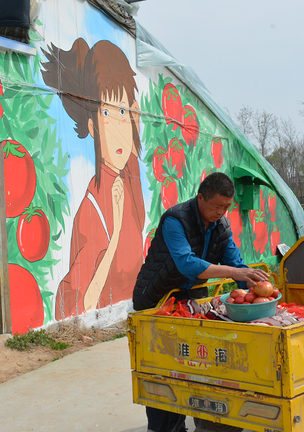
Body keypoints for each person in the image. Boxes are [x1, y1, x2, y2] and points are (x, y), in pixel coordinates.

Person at [132, 172, 268, 432]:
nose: (221, 212)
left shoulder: (222, 227)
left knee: (192, 363)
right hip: (155, 299)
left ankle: (198, 420)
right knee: (163, 367)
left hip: (189, 300)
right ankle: (164, 427)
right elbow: (187, 263)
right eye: (217, 206)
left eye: (227, 207)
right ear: (200, 198)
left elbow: (236, 264)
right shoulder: (175, 220)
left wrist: (257, 290)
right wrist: (233, 272)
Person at [42, 38, 145, 319]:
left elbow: (133, 144)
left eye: (123, 111)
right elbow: (72, 308)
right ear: (93, 125)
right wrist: (112, 240)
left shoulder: (130, 179)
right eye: (107, 113)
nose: (119, 128)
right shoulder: (93, 208)